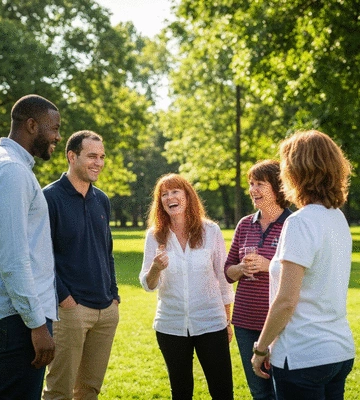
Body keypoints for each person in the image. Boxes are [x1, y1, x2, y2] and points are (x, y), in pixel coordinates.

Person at [251, 130, 355, 399]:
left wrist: (260, 349)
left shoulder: (299, 222)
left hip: (302, 357)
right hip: (338, 352)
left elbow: (286, 300)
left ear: (298, 172)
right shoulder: (337, 218)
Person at [0, 94, 61, 399]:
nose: (58, 137)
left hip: (17, 315)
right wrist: (37, 325)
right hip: (19, 318)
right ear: (32, 125)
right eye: (54, 128)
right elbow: (13, 257)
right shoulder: (11, 170)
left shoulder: (4, 165)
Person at [139, 173, 235, 400]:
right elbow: (148, 285)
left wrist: (226, 321)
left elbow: (223, 280)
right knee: (181, 392)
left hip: (211, 322)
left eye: (175, 192)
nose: (169, 197)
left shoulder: (210, 231)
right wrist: (155, 268)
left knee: (222, 391)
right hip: (170, 325)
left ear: (187, 196)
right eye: (164, 194)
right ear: (160, 201)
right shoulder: (155, 236)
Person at [42, 130, 120, 400]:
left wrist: (114, 295)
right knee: (59, 392)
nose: (98, 162)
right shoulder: (49, 198)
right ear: (72, 156)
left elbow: (106, 251)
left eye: (101, 157)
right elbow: (41, 257)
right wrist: (64, 298)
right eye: (91, 156)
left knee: (89, 391)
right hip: (70, 312)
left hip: (105, 310)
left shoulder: (102, 199)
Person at [225, 160, 291, 400]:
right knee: (259, 392)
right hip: (244, 322)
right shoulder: (244, 224)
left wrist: (269, 265)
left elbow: (303, 275)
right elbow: (227, 271)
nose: (253, 189)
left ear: (278, 187)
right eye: (251, 184)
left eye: (260, 184)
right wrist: (241, 268)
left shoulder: (292, 225)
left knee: (281, 390)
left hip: (280, 323)